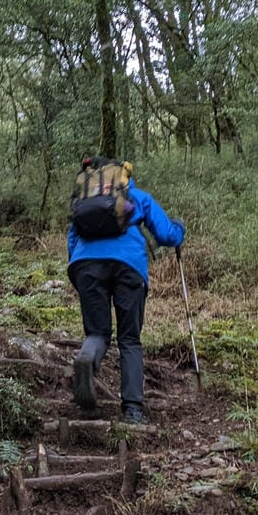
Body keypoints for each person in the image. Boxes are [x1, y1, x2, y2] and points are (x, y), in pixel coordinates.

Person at [67, 158, 185, 424]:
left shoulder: (83, 202)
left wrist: (81, 272)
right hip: (129, 267)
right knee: (129, 339)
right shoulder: (137, 196)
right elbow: (166, 235)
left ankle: (87, 359)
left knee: (97, 332)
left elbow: (72, 239)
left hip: (86, 266)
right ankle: (132, 409)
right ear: (123, 175)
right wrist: (180, 230)